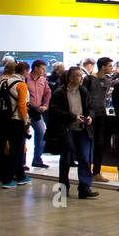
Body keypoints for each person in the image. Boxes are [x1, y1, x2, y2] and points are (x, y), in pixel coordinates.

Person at [46, 65, 98, 200]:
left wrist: (90, 116)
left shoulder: (83, 90)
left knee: (85, 159)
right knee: (66, 159)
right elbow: (55, 111)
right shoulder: (59, 93)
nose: (81, 78)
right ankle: (63, 187)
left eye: (81, 76)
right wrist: (72, 117)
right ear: (70, 77)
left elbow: (90, 106)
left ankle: (85, 188)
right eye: (78, 76)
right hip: (66, 130)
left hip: (83, 129)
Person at [0, 60, 31, 189]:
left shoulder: (2, 82)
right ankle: (9, 178)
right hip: (16, 119)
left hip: (3, 119)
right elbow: (22, 105)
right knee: (16, 149)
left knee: (4, 147)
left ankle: (17, 175)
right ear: (24, 71)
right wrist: (25, 120)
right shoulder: (21, 85)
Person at [87, 57, 116, 182]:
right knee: (88, 143)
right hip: (90, 114)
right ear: (103, 67)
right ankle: (88, 170)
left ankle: (96, 172)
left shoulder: (108, 81)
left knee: (99, 143)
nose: (111, 68)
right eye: (110, 66)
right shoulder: (90, 80)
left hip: (101, 113)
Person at [25, 59, 51, 169]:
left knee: (41, 133)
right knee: (23, 136)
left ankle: (37, 159)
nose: (44, 71)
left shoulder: (43, 80)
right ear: (35, 68)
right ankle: (22, 162)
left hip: (36, 112)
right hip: (26, 110)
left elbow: (48, 93)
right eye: (42, 69)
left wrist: (45, 105)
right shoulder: (25, 79)